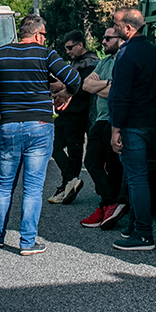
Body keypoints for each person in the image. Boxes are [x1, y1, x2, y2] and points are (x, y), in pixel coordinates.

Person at [0, 15, 80, 255]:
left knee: (3, 186)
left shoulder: (0, 54)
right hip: (40, 126)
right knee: (32, 188)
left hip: (9, 126)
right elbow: (74, 79)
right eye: (44, 36)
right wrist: (65, 93)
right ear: (39, 34)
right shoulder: (46, 54)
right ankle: (27, 242)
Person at [108, 9, 156, 250]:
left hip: (131, 124)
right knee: (135, 178)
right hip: (150, 121)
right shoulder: (152, 51)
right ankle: (132, 226)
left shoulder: (126, 54)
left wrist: (115, 129)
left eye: (117, 25)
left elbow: (120, 95)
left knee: (136, 179)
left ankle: (143, 233)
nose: (115, 28)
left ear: (129, 29)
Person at [80, 26, 127, 229]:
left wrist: (102, 87)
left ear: (120, 39)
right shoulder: (104, 62)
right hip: (99, 119)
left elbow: (116, 93)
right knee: (91, 161)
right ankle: (110, 202)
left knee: (113, 165)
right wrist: (107, 84)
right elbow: (86, 86)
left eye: (108, 38)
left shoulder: (123, 61)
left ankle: (108, 204)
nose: (104, 42)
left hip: (114, 119)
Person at [47, 30, 97, 205]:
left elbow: (82, 87)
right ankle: (69, 182)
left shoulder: (90, 63)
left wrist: (63, 89)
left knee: (74, 152)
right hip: (66, 113)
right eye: (66, 48)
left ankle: (68, 184)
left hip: (78, 114)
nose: (67, 51)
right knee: (55, 147)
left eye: (70, 48)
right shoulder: (76, 63)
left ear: (80, 45)